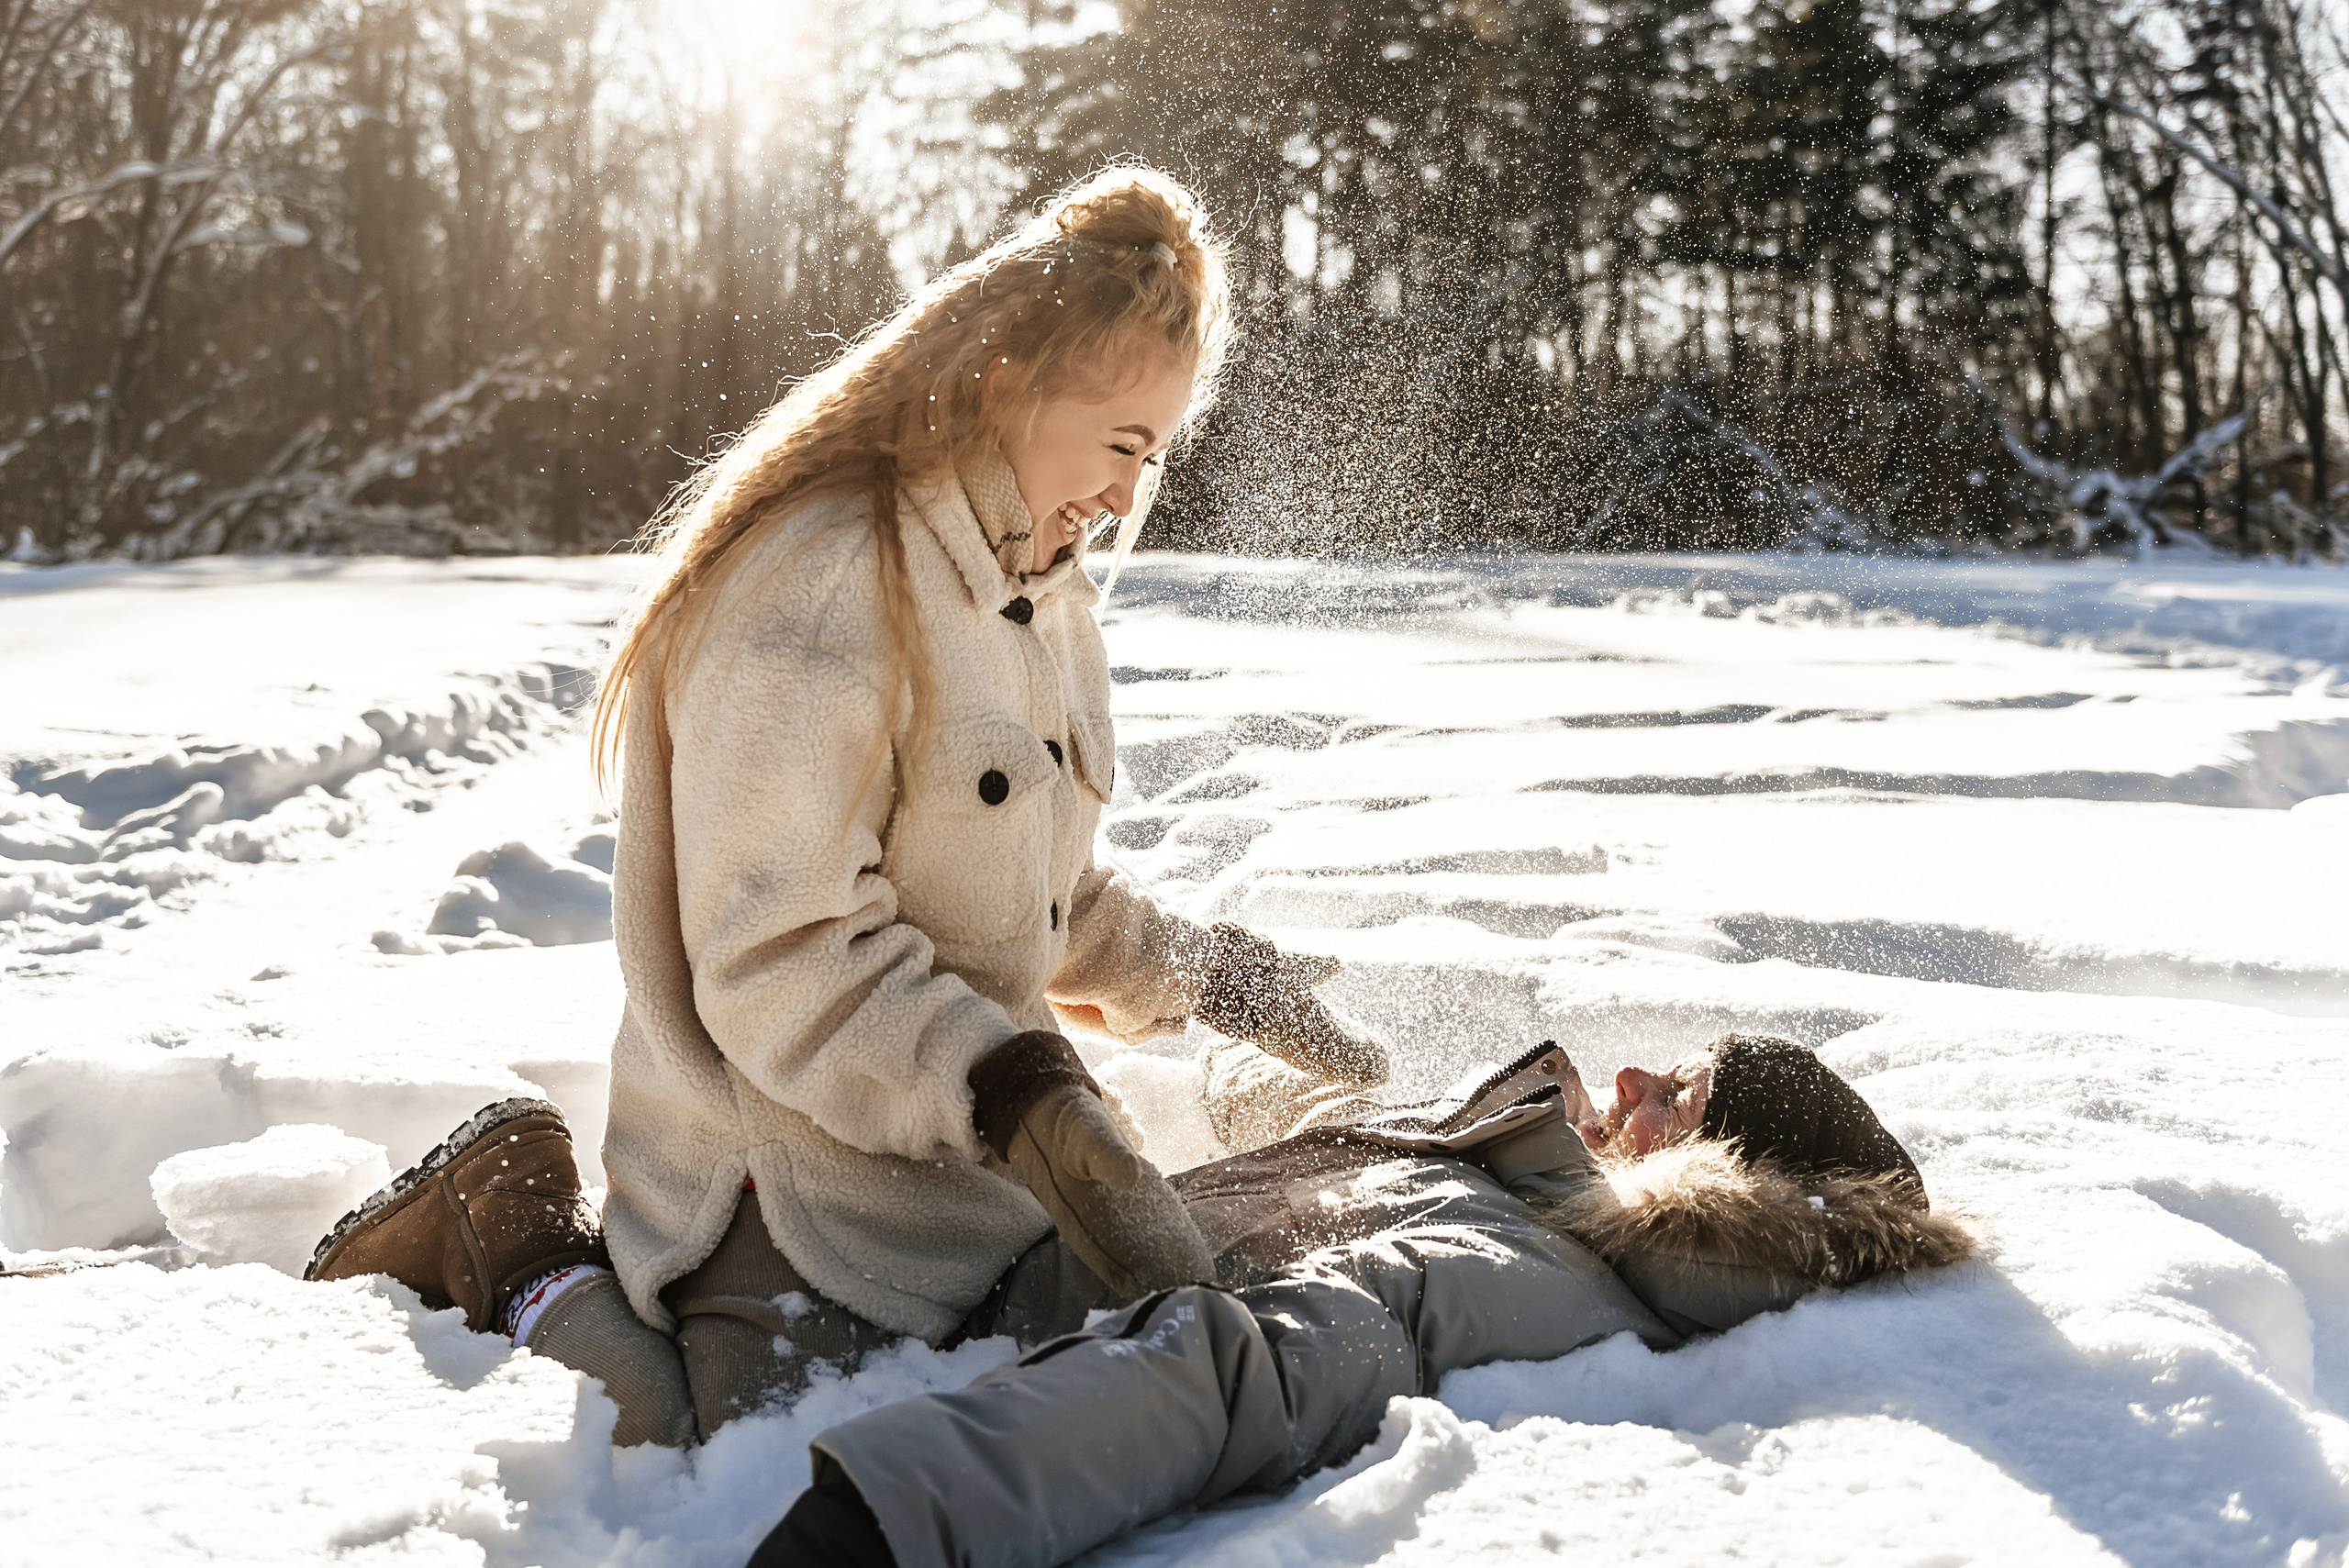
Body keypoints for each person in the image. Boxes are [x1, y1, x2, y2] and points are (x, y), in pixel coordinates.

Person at [303, 166, 1387, 1446]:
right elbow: (780, 956)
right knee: (705, 1452)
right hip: (784, 1183)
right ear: (1013, 378)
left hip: (959, 1172)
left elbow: (1035, 890)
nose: (1126, 491)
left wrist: (1209, 977)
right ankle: (514, 1232)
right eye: (1121, 445)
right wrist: (1022, 1097)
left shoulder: (1040, 592)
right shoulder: (826, 581)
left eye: (1151, 454)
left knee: (1119, 1378)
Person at [751, 1032, 1972, 1568]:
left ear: (1722, 1183)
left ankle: (545, 1266)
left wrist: (889, 1518)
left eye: (1684, 1093)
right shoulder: (1534, 1194)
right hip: (1012, 1230)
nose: (1631, 1074)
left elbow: (1245, 1371)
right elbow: (1320, 1150)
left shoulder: (1517, 1270)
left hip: (921, 1314)